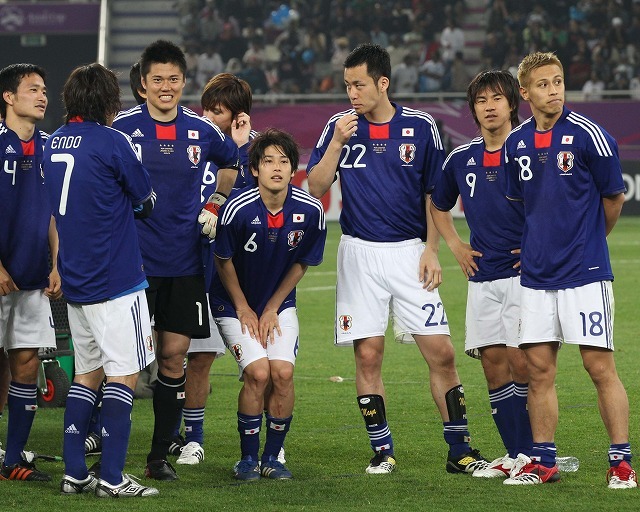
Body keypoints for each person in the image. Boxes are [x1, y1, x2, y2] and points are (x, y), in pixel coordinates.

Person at [306, 43, 487, 475]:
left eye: (359, 84)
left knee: (441, 353)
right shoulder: (338, 127)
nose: (351, 93)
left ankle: (459, 450)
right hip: (359, 255)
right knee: (367, 357)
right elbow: (314, 187)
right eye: (347, 85)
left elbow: (436, 196)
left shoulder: (420, 127)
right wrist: (335, 144)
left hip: (410, 253)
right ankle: (383, 451)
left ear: (383, 83)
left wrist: (431, 249)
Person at [502, 51, 634, 488]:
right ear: (525, 92)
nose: (553, 90)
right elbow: (524, 205)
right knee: (539, 371)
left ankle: (621, 464)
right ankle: (544, 462)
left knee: (599, 367)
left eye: (558, 81)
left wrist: (591, 240)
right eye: (543, 84)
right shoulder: (516, 143)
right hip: (537, 278)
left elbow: (613, 198)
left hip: (585, 273)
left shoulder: (589, 135)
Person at [112, 39, 240, 481]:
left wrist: (217, 200)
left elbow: (232, 162)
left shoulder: (203, 131)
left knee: (173, 357)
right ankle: (106, 450)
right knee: (121, 363)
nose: (166, 87)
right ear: (143, 85)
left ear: (183, 82)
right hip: (132, 264)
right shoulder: (122, 128)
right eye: (157, 80)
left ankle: (157, 458)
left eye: (173, 79)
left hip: (185, 263)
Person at [43, 63, 159, 497]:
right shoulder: (114, 141)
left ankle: (75, 472)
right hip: (115, 280)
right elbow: (146, 201)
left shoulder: (52, 143)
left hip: (76, 281)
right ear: (110, 101)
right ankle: (112, 477)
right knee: (123, 375)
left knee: (87, 374)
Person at [430, 70, 532, 479]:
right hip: (482, 275)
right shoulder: (460, 159)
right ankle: (514, 454)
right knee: (492, 364)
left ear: (512, 103)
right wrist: (454, 244)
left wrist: (541, 246)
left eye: (496, 98)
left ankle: (536, 453)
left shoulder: (529, 149)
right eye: (481, 100)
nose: (489, 106)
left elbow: (562, 201)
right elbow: (438, 205)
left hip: (526, 277)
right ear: (473, 109)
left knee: (522, 363)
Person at [212, 128, 326, 480]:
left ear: (294, 170)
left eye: (284, 161)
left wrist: (273, 306)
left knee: (283, 373)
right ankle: (247, 459)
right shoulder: (236, 209)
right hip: (233, 304)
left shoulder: (310, 211)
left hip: (278, 304)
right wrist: (245, 308)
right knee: (258, 374)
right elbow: (223, 260)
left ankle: (272, 458)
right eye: (268, 160)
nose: (276, 167)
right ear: (255, 169)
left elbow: (302, 262)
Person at [174, 72, 255, 466]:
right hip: (183, 261)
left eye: (218, 111)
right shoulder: (191, 137)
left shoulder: (255, 153)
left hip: (231, 271)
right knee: (175, 355)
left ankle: (200, 437)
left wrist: (240, 149)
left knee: (208, 358)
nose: (208, 116)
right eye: (206, 107)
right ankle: (181, 435)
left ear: (238, 118)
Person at [0, 63, 61, 482]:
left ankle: (13, 459)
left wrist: (57, 262)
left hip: (34, 277)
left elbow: (53, 213)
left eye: (44, 89)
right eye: (32, 89)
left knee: (25, 362)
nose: (42, 96)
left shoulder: (48, 147)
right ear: (8, 96)